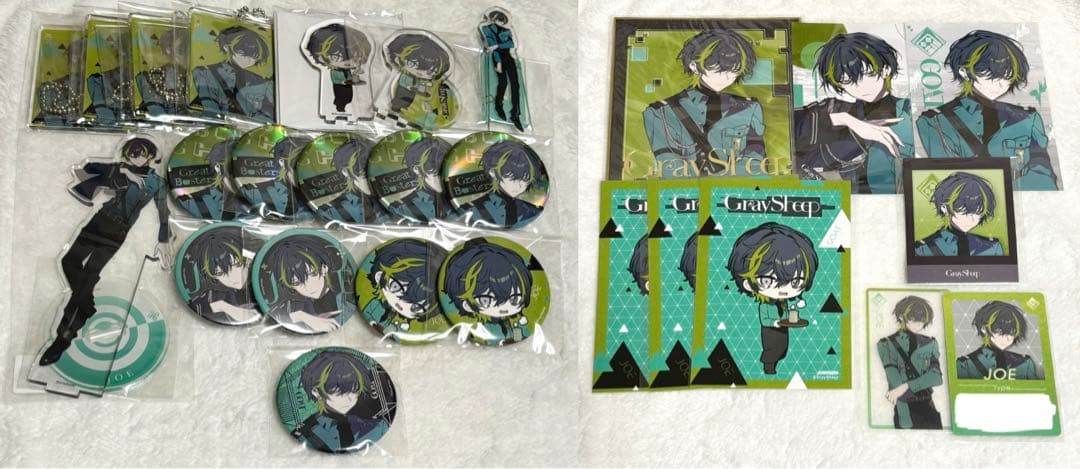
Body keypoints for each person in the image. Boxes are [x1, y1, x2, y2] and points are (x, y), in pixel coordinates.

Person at [40, 138, 171, 366]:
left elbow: (163, 213)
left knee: (89, 274)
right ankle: (86, 303)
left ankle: (63, 339)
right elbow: (89, 168)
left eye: (140, 153)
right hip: (99, 220)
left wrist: (163, 240)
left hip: (117, 231)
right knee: (69, 262)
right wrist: (124, 171)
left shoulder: (157, 183)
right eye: (131, 153)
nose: (134, 157)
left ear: (151, 156)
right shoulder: (120, 170)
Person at [915, 30, 1057, 190]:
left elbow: (1043, 174)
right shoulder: (935, 122)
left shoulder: (1027, 118)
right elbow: (950, 178)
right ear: (964, 72)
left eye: (1008, 77)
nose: (1001, 84)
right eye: (993, 76)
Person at [793, 32, 913, 193]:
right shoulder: (836, 109)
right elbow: (784, 128)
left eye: (868, 74)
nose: (859, 87)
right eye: (847, 81)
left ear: (886, 69)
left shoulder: (909, 110)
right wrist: (846, 120)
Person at [642, 29, 765, 177]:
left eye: (734, 70)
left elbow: (755, 160)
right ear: (694, 66)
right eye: (719, 69)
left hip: (735, 188)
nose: (727, 76)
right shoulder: (661, 111)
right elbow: (669, 165)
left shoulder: (748, 108)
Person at [726, 222, 819, 375]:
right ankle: (768, 367)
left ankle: (773, 363)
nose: (783, 289)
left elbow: (788, 312)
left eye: (795, 281)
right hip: (770, 331)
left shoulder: (783, 302)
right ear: (748, 283)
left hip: (782, 329)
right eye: (768, 280)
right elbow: (764, 319)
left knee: (782, 348)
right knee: (772, 349)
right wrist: (774, 322)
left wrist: (795, 309)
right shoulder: (765, 304)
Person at [293, 350, 394, 452]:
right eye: (340, 393)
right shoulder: (306, 432)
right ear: (316, 392)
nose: (350, 399)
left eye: (355, 390)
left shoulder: (377, 425)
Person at [442, 240, 534, 344]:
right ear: (466, 305)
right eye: (486, 300)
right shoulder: (477, 324)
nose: (503, 306)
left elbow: (520, 334)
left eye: (514, 298)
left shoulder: (515, 320)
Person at [876, 296, 943, 429]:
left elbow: (936, 377)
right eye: (914, 319)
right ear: (902, 317)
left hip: (928, 406)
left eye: (922, 320)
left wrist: (907, 385)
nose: (918, 324)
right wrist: (904, 417)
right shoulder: (886, 344)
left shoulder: (930, 343)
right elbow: (895, 382)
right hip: (904, 408)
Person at [262, 235, 351, 333]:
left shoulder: (345, 296)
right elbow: (271, 314)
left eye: (312, 274)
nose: (308, 287)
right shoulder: (295, 305)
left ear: (324, 268)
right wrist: (301, 316)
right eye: (296, 283)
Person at [360, 239, 448, 338]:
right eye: (396, 287)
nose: (402, 304)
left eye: (415, 307)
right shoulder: (374, 305)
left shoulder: (408, 326)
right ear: (379, 277)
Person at [191, 25, 274, 122]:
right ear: (226, 47)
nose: (249, 59)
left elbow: (269, 117)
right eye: (243, 53)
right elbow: (211, 111)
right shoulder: (205, 72)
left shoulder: (262, 82)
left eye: (254, 56)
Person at [179, 226, 258, 324]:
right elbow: (195, 304)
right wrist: (222, 306)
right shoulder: (216, 295)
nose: (230, 277)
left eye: (234, 265)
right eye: (219, 273)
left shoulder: (263, 283)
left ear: (247, 260)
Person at [913, 171, 1003, 257]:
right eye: (965, 212)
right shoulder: (923, 248)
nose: (972, 219)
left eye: (978, 213)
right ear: (944, 208)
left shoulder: (992, 247)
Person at [457, 140, 544, 228]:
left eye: (525, 180)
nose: (520, 185)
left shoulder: (531, 211)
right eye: (513, 179)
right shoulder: (471, 210)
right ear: (493, 172)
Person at [384, 33, 454, 129]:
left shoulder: (431, 82)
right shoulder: (405, 76)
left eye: (430, 72)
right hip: (404, 102)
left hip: (417, 109)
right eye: (413, 64)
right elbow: (406, 84)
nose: (421, 72)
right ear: (398, 60)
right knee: (400, 106)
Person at [956, 300, 1038, 380]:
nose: (1008, 338)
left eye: (1012, 332)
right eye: (1001, 331)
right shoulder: (965, 364)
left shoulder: (1025, 363)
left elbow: (1035, 388)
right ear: (984, 329)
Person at [237, 135, 313, 220]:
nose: (304, 170)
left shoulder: (315, 192)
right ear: (282, 162)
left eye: (310, 164)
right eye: (296, 162)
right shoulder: (253, 192)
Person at [303, 22, 372, 114]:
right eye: (337, 57)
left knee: (348, 97)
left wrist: (355, 74)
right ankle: (340, 107)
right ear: (322, 58)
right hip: (340, 86)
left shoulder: (346, 69)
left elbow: (351, 75)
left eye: (355, 58)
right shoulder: (335, 70)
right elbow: (336, 79)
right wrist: (344, 81)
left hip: (347, 86)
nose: (348, 62)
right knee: (341, 97)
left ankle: (343, 105)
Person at [317, 136, 389, 224]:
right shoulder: (330, 211)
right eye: (364, 173)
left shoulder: (389, 204)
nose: (372, 179)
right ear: (345, 171)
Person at [385, 136, 452, 222]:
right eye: (433, 170)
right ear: (416, 169)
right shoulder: (402, 207)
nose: (442, 177)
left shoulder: (459, 203)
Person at [479, 9, 525, 131]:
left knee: (516, 85)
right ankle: (498, 105)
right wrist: (498, 62)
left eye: (502, 21)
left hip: (508, 57)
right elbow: (491, 47)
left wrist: (498, 46)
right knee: (503, 83)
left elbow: (510, 44)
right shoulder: (486, 29)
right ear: (493, 19)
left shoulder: (507, 30)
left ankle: (515, 114)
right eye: (499, 20)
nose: (501, 22)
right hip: (497, 57)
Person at [135, 26, 187, 116]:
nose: (187, 53)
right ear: (168, 50)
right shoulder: (152, 78)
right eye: (182, 49)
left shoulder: (194, 76)